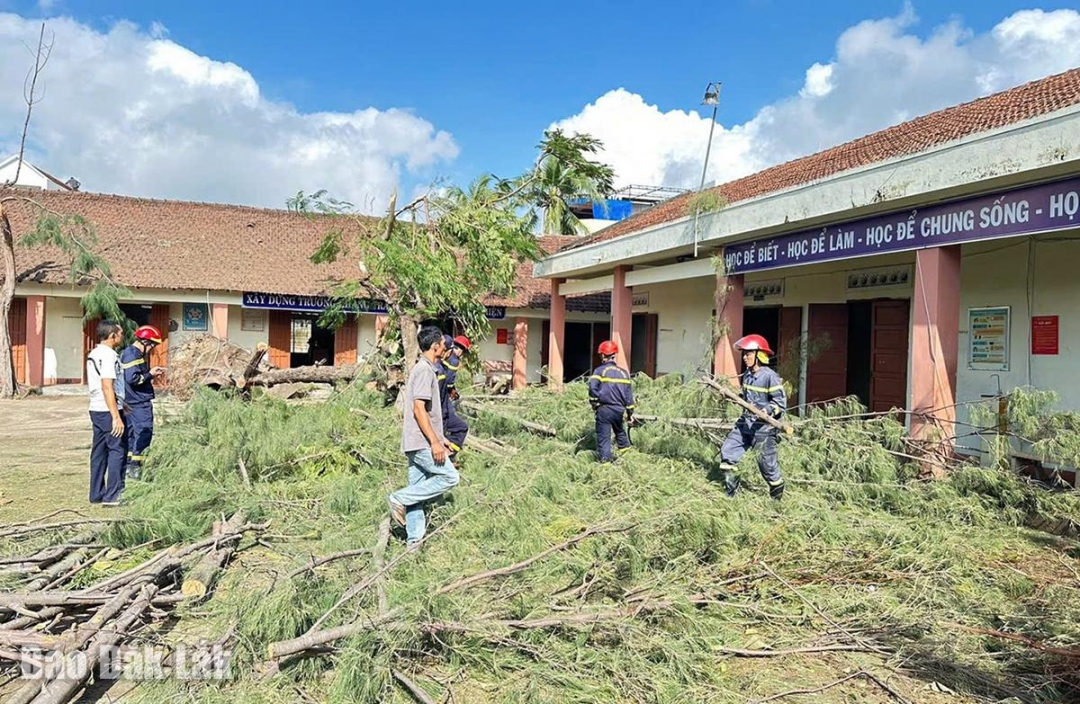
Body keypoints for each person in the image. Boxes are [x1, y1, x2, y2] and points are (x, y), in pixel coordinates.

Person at [388, 327, 460, 547]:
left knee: (417, 492)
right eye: (442, 342)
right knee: (450, 477)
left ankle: (413, 543)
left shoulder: (427, 368)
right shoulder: (424, 370)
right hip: (421, 443)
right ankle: (398, 498)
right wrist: (435, 443)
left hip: (419, 440)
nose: (445, 346)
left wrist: (441, 437)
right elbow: (419, 409)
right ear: (435, 345)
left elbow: (427, 412)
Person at [718, 334, 787, 499]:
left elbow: (780, 404)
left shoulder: (770, 377)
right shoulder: (748, 375)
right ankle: (730, 496)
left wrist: (767, 411)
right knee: (727, 452)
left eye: (748, 354)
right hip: (745, 424)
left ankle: (777, 502)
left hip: (763, 429)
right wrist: (731, 395)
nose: (744, 357)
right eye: (744, 353)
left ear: (759, 355)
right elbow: (746, 398)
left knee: (767, 467)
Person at [86, 320, 127, 506]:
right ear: (112, 336)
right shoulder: (109, 356)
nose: (122, 337)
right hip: (107, 409)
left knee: (99, 452)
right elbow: (107, 386)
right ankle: (113, 495)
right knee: (117, 450)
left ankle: (96, 493)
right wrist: (116, 416)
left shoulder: (94, 353)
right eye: (120, 334)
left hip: (96, 408)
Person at [120, 325, 166, 480]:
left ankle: (129, 466)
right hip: (138, 402)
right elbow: (133, 379)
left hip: (131, 401)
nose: (152, 349)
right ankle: (135, 468)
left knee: (133, 435)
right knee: (143, 433)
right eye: (152, 345)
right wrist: (150, 375)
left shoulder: (130, 353)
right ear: (146, 342)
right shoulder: (134, 355)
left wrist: (148, 374)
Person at [588, 340, 636, 462]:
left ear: (603, 355)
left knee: (604, 438)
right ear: (614, 355)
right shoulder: (624, 373)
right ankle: (629, 459)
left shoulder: (599, 371)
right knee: (620, 433)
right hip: (619, 410)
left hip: (604, 409)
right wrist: (630, 413)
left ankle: (605, 465)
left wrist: (594, 403)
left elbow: (593, 388)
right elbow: (628, 396)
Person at [439, 335, 469, 463]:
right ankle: (449, 456)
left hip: (441, 395)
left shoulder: (441, 360)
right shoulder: (455, 360)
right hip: (444, 398)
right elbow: (450, 381)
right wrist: (452, 391)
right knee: (457, 426)